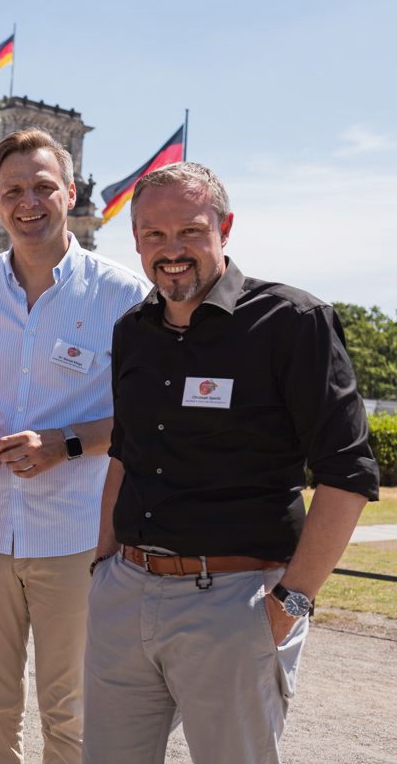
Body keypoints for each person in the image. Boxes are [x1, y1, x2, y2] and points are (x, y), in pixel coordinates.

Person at [83, 162, 379, 763]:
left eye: (190, 231)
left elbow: (347, 476)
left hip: (237, 600)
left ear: (226, 228)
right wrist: (102, 566)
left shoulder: (292, 323)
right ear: (135, 238)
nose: (172, 251)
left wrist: (290, 602)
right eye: (153, 235)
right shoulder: (132, 331)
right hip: (125, 594)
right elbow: (124, 455)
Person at [0, 129, 148, 764]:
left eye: (43, 187)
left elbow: (147, 413)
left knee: (70, 709)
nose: (29, 202)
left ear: (69, 194)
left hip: (76, 534)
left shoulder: (122, 295)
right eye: (13, 190)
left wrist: (66, 443)